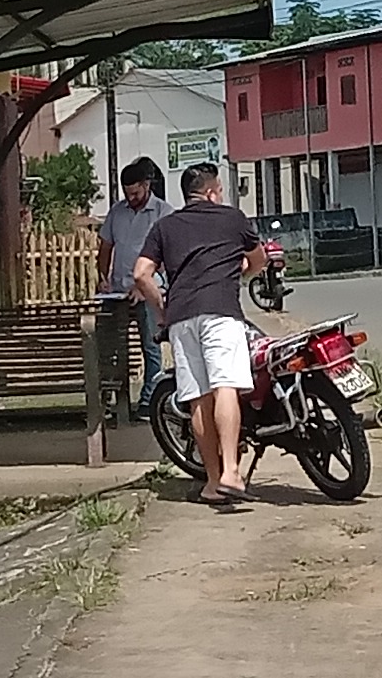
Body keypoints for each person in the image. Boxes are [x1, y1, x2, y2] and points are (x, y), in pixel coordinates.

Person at [133, 160, 266, 508]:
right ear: (210, 193)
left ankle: (212, 482)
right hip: (221, 312)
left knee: (198, 398)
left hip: (181, 319)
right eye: (220, 190)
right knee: (226, 387)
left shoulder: (165, 226)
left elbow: (141, 274)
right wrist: (240, 273)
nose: (221, 195)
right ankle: (232, 471)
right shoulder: (233, 218)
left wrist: (161, 309)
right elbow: (259, 260)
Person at [95, 156, 169, 405]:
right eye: (127, 194)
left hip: (147, 291)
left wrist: (143, 286)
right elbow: (105, 247)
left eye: (136, 193)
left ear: (146, 185)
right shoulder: (117, 212)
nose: (132, 198)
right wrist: (103, 277)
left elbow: (165, 257)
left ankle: (149, 400)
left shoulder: (163, 213)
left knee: (151, 346)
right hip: (117, 292)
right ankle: (108, 397)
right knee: (109, 346)